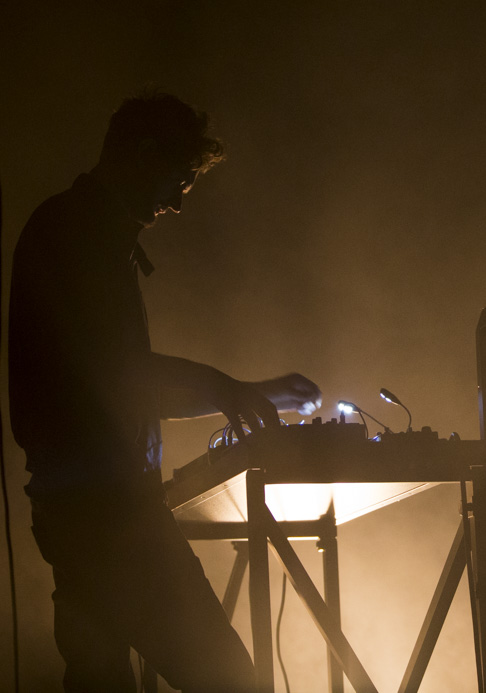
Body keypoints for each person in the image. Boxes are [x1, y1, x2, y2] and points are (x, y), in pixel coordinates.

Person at [7, 92, 322, 692]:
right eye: (177, 181)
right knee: (229, 680)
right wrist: (221, 384)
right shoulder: (74, 235)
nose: (176, 203)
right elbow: (115, 371)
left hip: (82, 513)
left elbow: (121, 392)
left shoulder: (87, 236)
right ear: (141, 154)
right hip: (106, 516)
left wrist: (243, 392)